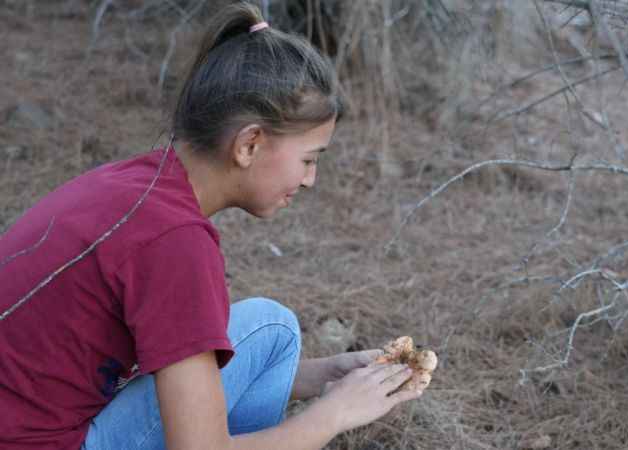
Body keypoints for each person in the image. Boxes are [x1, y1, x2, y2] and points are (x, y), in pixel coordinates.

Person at [0, 3, 422, 449]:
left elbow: (173, 370)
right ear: (249, 144)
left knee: (273, 335)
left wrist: (326, 378)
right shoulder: (174, 243)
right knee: (269, 329)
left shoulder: (135, 186)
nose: (310, 179)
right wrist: (334, 415)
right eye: (309, 159)